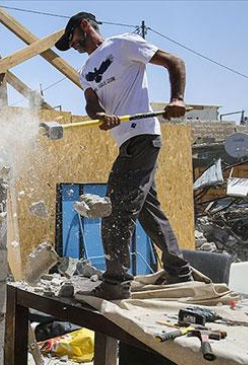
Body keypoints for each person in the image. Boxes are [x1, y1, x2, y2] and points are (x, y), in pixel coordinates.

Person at [54, 12, 193, 300]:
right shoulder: (85, 70)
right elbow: (91, 105)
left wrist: (177, 99)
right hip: (127, 143)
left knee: (114, 210)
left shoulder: (123, 45)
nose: (74, 45)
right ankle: (179, 273)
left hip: (142, 136)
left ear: (84, 26)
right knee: (148, 211)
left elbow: (174, 62)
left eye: (73, 39)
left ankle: (116, 283)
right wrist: (101, 115)